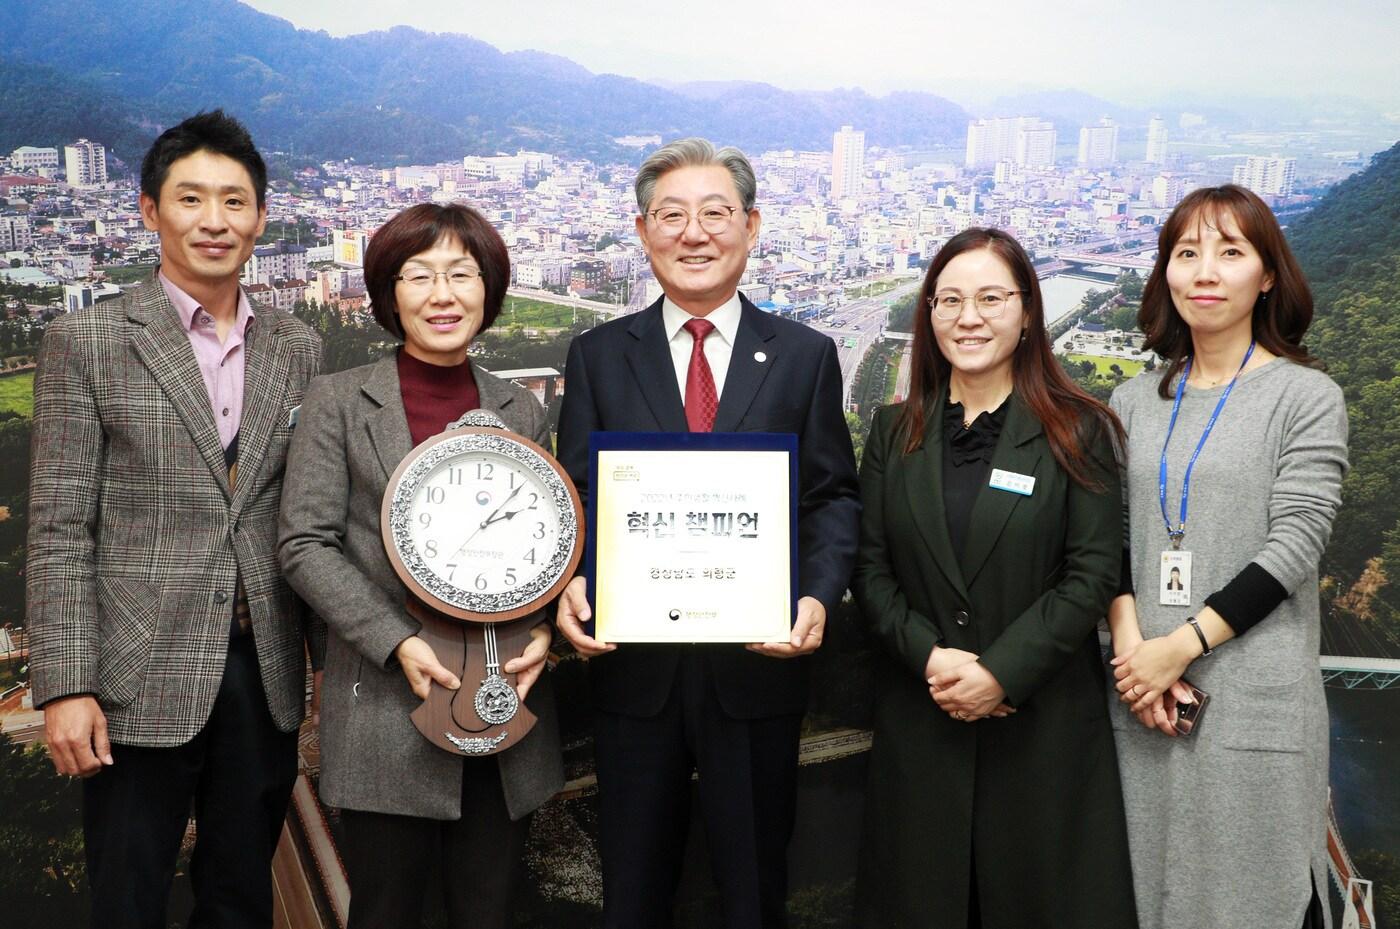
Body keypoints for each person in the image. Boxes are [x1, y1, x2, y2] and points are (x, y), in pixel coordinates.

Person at [553, 138, 860, 929]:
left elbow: (831, 496)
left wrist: (819, 595)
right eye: (672, 215)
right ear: (642, 230)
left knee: (755, 889)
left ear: (751, 227)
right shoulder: (594, 356)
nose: (695, 233)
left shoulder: (806, 355)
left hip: (758, 671)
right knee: (632, 887)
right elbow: (577, 497)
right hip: (632, 675)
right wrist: (574, 579)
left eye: (716, 213)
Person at [26, 110, 321, 929]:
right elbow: (58, 528)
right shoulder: (85, 340)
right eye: (192, 198)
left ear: (261, 218)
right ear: (151, 211)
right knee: (128, 895)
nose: (215, 220)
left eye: (235, 201)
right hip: (132, 670)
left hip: (262, 667)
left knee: (238, 893)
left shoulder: (297, 346)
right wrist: (67, 683)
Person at [277, 202, 563, 929]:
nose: (443, 294)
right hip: (384, 709)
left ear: (489, 289)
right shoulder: (338, 401)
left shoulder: (519, 411)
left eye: (461, 274)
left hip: (503, 706)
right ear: (388, 293)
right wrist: (395, 639)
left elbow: (540, 545)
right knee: (389, 912)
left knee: (488, 909)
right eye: (420, 275)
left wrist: (543, 634)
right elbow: (304, 543)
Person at [852, 227, 1138, 929]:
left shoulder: (1080, 429)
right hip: (924, 721)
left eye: (990, 298)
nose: (968, 317)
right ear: (928, 312)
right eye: (949, 299)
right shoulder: (893, 431)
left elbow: (1092, 570)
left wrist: (1001, 671)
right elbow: (871, 567)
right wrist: (931, 655)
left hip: (1042, 732)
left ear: (1027, 310)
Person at [1108, 185, 1346, 929]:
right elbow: (1107, 539)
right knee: (1149, 891)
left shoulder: (1305, 397)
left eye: (1230, 251)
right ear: (1166, 273)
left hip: (1253, 699)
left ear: (1267, 274)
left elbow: (1295, 543)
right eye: (1187, 253)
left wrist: (1179, 645)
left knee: (1256, 898)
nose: (1204, 271)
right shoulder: (1131, 401)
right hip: (1144, 702)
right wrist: (1132, 655)